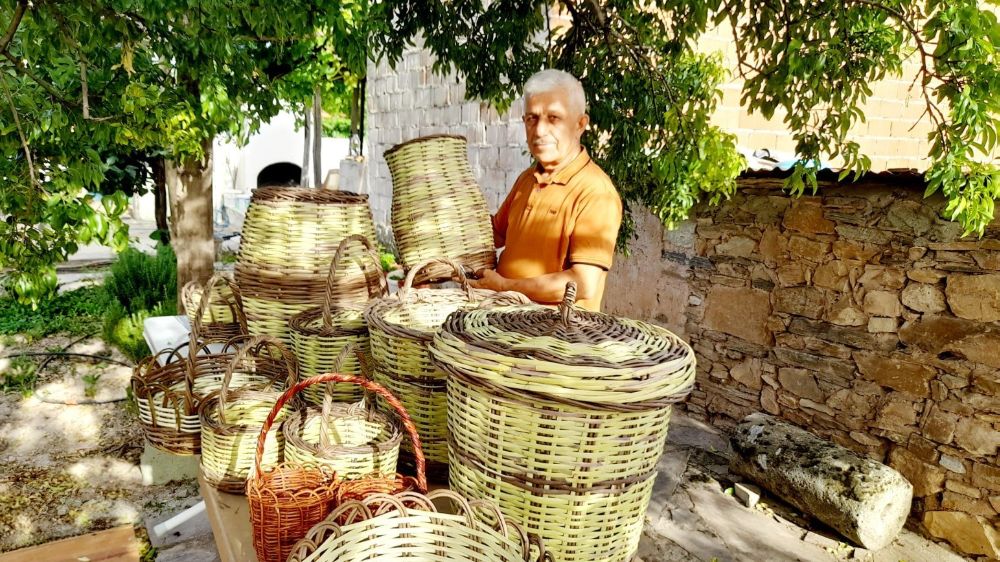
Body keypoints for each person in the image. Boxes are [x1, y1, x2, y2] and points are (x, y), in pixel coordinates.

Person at [468, 69, 622, 312]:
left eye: (553, 118)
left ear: (580, 124)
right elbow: (494, 233)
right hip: (506, 327)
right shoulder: (527, 179)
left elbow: (582, 284)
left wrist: (505, 287)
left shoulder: (595, 192)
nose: (539, 131)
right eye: (532, 118)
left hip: (555, 340)